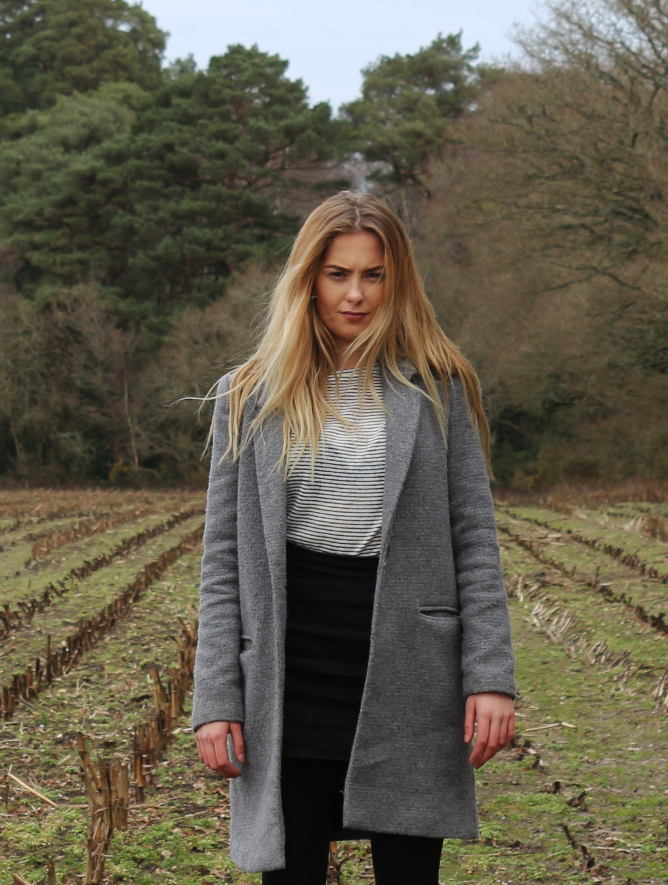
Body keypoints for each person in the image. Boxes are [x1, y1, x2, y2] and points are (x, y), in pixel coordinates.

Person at [192, 191, 516, 883]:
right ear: (308, 278)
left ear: (397, 281)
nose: (356, 294)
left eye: (374, 275)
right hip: (289, 674)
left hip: (408, 670)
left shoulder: (439, 388)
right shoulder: (247, 395)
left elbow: (475, 540)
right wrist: (216, 699)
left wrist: (490, 678)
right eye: (338, 274)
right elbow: (222, 562)